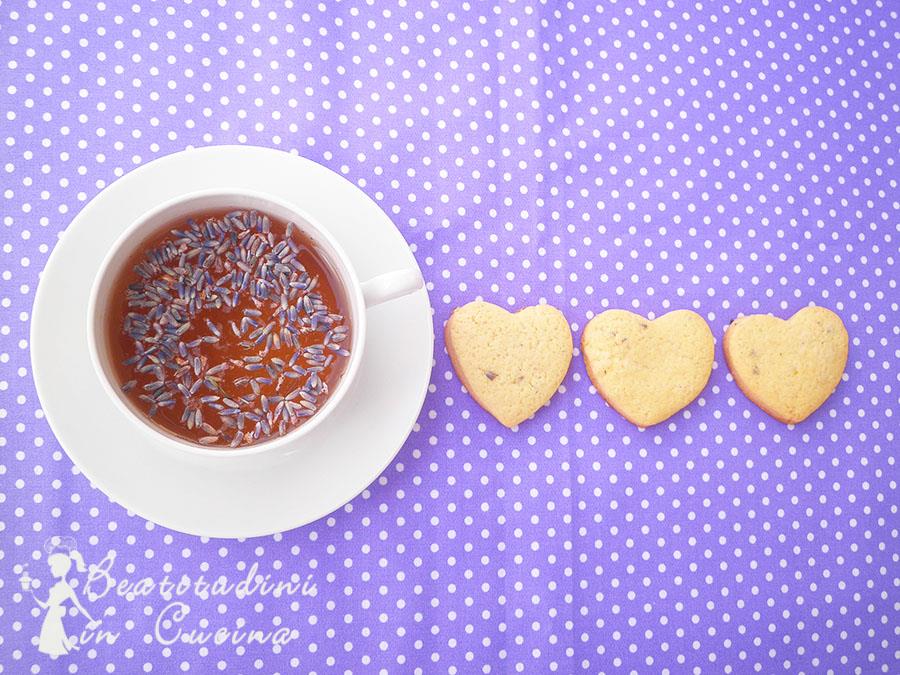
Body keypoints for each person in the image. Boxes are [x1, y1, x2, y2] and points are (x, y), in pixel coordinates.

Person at [29, 542, 100, 656]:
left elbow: (80, 607)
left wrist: (92, 620)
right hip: (51, 618)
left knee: (56, 645)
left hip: (53, 619)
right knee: (57, 644)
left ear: (62, 567)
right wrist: (31, 595)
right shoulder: (56, 587)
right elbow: (46, 606)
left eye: (53, 566)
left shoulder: (66, 588)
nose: (51, 570)